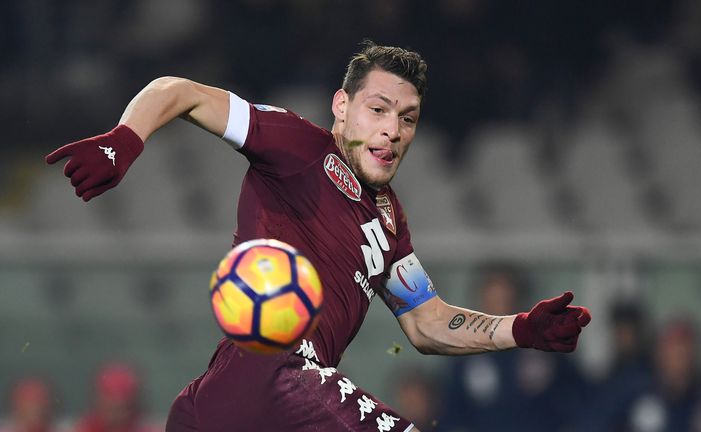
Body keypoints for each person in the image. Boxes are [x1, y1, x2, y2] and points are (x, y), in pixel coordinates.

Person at [45, 41, 592, 431]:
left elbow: (426, 323)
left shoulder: (390, 221)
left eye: (408, 118)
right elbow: (180, 91)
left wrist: (518, 328)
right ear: (341, 107)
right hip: (274, 372)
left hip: (228, 405)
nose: (392, 130)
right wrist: (124, 139)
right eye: (378, 110)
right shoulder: (300, 147)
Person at [441, 265, 589, 432]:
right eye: (493, 300)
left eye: (504, 298)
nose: (499, 307)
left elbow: (578, 397)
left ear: (517, 299)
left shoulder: (545, 345)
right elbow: (453, 412)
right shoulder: (465, 352)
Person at [74, 362, 159, 432]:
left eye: (123, 408)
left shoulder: (144, 429)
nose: (116, 414)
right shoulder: (85, 428)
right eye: (111, 407)